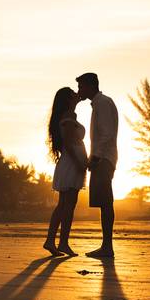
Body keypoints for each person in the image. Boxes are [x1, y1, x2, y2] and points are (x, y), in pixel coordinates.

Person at [76, 72, 118, 258]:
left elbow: (107, 134)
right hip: (103, 158)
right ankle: (106, 245)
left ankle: (107, 247)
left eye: (81, 87)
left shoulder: (102, 103)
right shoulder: (99, 103)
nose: (79, 91)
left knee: (106, 202)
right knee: (104, 202)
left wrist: (95, 158)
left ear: (90, 86)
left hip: (103, 159)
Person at [44, 87, 89, 256]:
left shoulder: (66, 116)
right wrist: (79, 163)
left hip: (69, 163)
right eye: (73, 93)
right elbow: (70, 144)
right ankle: (62, 242)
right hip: (71, 164)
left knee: (64, 205)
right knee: (68, 205)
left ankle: (51, 240)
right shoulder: (69, 117)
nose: (77, 94)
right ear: (69, 99)